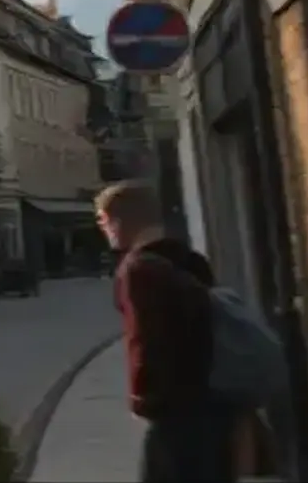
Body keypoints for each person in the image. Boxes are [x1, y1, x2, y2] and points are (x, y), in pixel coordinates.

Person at [98, 180, 235, 483]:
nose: (104, 230)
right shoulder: (189, 259)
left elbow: (144, 341)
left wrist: (142, 399)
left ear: (119, 221)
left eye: (104, 221)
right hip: (214, 403)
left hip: (175, 410)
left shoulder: (138, 270)